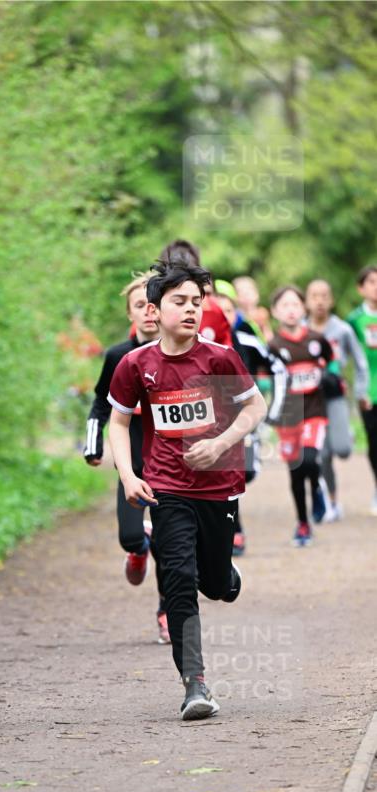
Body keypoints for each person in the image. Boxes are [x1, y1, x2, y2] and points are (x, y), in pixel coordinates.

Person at [108, 259, 267, 721]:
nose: (192, 309)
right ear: (154, 310)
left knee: (214, 585)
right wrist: (128, 474)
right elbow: (119, 421)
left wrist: (219, 443)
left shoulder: (219, 358)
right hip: (167, 487)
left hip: (218, 488)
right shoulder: (136, 364)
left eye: (197, 301)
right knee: (178, 577)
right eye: (180, 301)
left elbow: (254, 407)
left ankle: (224, 575)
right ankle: (195, 683)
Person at [84, 277, 169, 643]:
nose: (147, 312)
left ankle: (167, 611)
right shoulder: (118, 356)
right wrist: (93, 444)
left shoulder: (178, 354)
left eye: (153, 305)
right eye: (139, 306)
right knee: (130, 536)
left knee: (171, 543)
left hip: (170, 462)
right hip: (131, 462)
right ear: (130, 313)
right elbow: (100, 403)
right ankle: (139, 547)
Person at [214, 280, 287, 555]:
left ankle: (229, 527)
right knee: (221, 472)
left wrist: (274, 411)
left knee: (245, 472)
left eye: (228, 311)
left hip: (244, 418)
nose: (223, 316)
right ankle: (234, 530)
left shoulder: (246, 338)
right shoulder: (197, 345)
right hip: (209, 422)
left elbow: (278, 369)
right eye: (217, 311)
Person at [269, 285, 335, 546]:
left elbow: (331, 361)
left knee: (308, 459)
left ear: (303, 308)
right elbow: (265, 377)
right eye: (285, 305)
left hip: (314, 411)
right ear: (275, 311)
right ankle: (303, 523)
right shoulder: (273, 346)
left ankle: (317, 488)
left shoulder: (317, 339)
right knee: (296, 472)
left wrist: (330, 377)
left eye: (295, 304)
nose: (291, 310)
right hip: (288, 415)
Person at [305, 278, 369, 521]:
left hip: (335, 395)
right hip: (310, 400)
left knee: (342, 449)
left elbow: (361, 363)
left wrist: (361, 391)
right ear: (307, 301)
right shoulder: (300, 330)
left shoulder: (342, 330)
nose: (319, 301)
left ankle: (344, 435)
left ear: (331, 300)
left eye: (324, 296)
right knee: (323, 455)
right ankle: (332, 502)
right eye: (314, 296)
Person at [159, 239, 233, 347]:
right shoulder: (151, 309)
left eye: (196, 303)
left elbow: (226, 350)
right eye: (179, 302)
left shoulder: (214, 311)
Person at [346, 265, 377, 515]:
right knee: (374, 443)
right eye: (372, 282)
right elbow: (347, 356)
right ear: (361, 288)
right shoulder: (354, 320)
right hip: (369, 391)